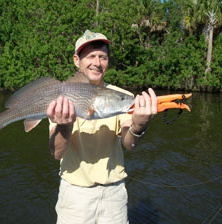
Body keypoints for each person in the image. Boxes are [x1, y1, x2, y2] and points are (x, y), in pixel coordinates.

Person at [46, 30, 157, 224]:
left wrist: (139, 125)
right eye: (90, 56)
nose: (97, 63)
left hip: (114, 195)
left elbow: (130, 144)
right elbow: (57, 153)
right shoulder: (61, 97)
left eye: (103, 57)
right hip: (74, 196)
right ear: (76, 60)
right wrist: (65, 126)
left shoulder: (121, 97)